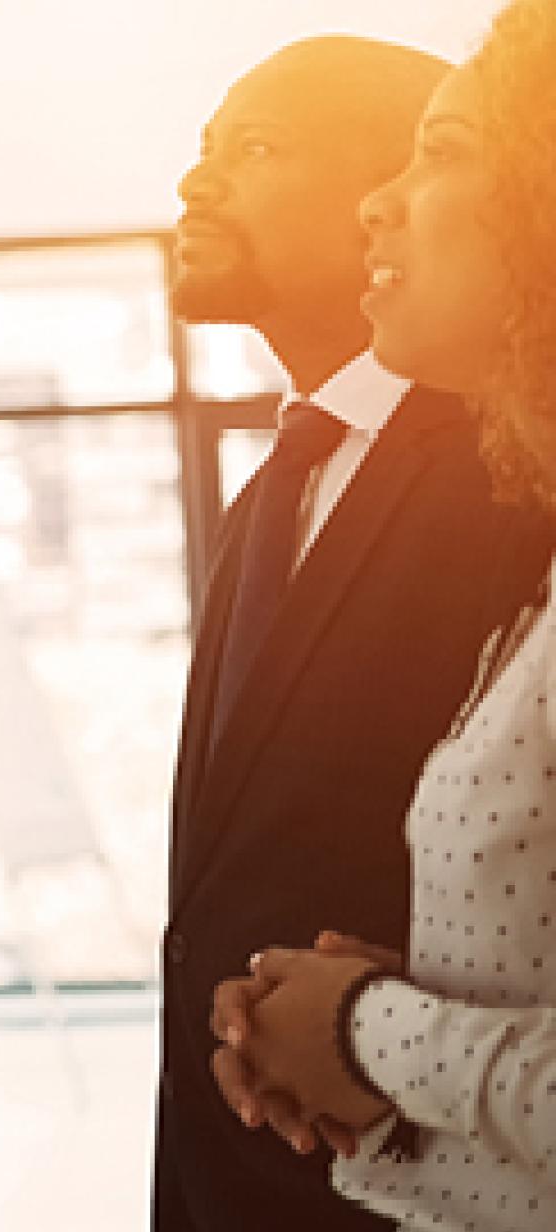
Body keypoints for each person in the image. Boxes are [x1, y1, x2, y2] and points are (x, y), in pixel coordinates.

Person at [152, 35, 555, 1232]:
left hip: (416, 1168)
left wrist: (371, 1031)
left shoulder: (511, 474)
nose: (196, 182)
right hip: (242, 1157)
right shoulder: (267, 493)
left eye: (255, 148)